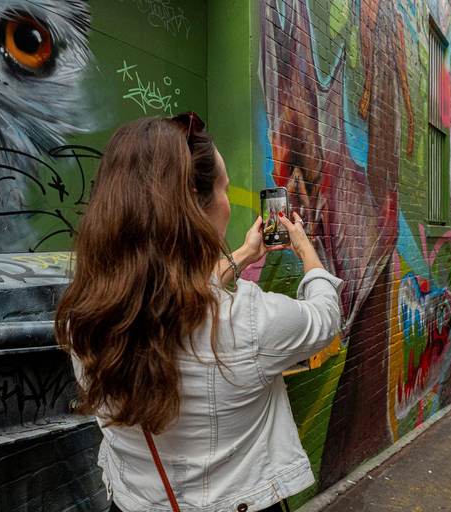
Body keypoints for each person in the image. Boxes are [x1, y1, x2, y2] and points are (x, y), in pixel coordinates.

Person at [55, 114, 343, 512]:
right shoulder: (252, 320)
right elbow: (326, 317)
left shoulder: (83, 319)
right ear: (194, 209)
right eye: (223, 189)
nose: (227, 200)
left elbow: (172, 298)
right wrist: (305, 250)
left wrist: (243, 254)